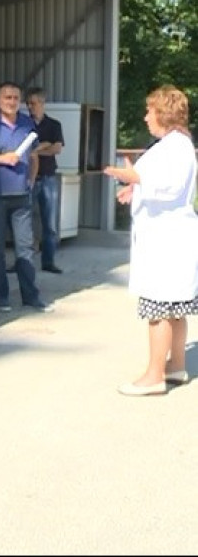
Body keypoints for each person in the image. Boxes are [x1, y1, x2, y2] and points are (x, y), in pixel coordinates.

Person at [103, 85, 198, 397]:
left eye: (150, 111)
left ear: (164, 113)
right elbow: (163, 184)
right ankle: (176, 365)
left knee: (159, 307)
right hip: (169, 238)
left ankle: (154, 375)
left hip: (166, 241)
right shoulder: (174, 145)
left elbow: (169, 187)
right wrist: (134, 188)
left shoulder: (175, 147)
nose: (145, 117)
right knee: (175, 307)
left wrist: (133, 177)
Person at [0, 81, 52, 314]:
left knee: (25, 248)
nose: (12, 102)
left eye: (15, 98)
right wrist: (0, 159)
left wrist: (30, 181)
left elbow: (33, 155)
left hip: (21, 195)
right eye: (7, 97)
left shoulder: (26, 123)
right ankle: (1, 295)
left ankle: (30, 296)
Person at [25, 87, 65, 274]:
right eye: (28, 103)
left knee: (50, 223)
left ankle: (48, 261)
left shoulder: (54, 125)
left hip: (48, 177)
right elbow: (23, 150)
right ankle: (24, 261)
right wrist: (44, 146)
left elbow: (57, 148)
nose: (30, 107)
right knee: (24, 222)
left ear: (42, 103)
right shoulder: (23, 124)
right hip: (27, 178)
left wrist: (35, 150)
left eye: (33, 103)